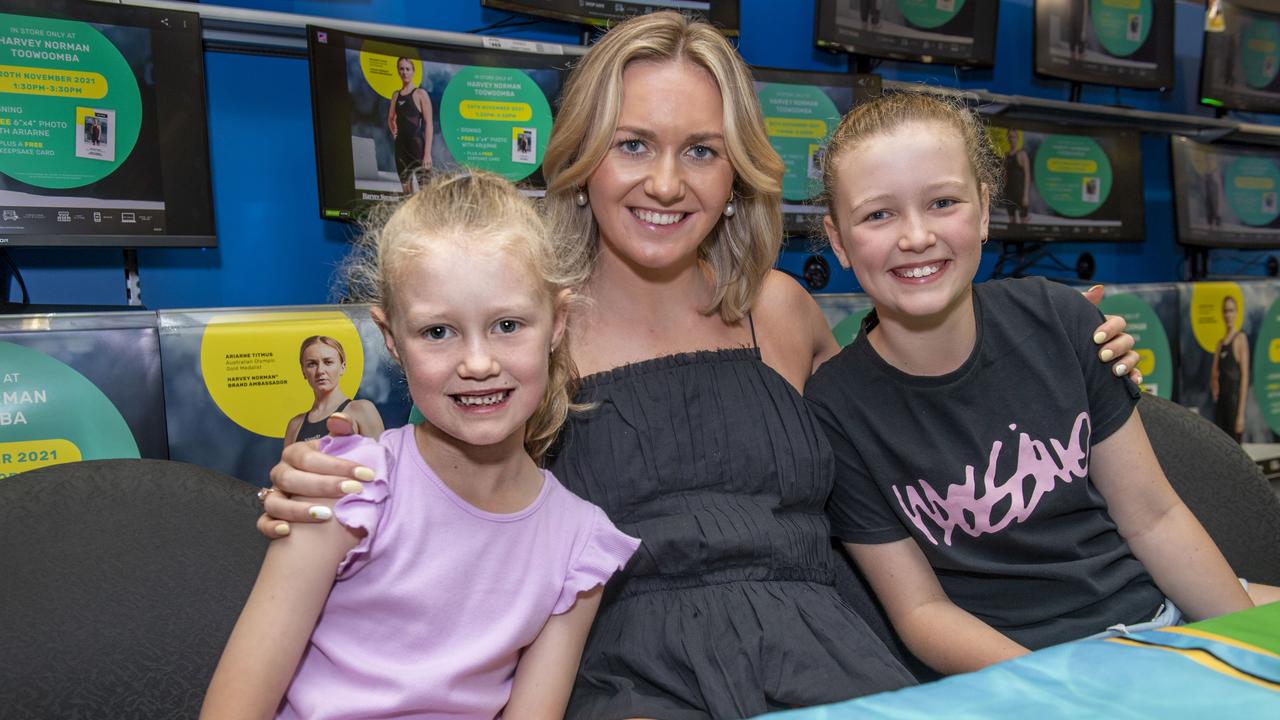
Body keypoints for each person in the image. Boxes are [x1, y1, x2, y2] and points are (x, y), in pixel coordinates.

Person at [257, 13, 1140, 718]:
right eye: (634, 144)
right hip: (621, 678)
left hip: (834, 662)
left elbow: (921, 415)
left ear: (737, 175)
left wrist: (1067, 348)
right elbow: (438, 477)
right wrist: (334, 459)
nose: (667, 183)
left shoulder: (784, 311)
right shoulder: (527, 329)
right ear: (580, 157)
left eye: (702, 151)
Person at [807, 91, 1262, 678]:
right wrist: (1056, 694)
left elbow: (1154, 518)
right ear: (838, 240)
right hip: (1020, 674)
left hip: (1152, 625)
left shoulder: (1061, 319)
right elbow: (921, 610)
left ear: (985, 209)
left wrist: (1242, 652)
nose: (915, 236)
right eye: (878, 214)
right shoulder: (836, 409)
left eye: (943, 202)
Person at [201, 171, 640, 720]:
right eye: (438, 332)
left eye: (508, 324)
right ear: (390, 338)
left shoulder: (580, 545)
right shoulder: (350, 485)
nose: (477, 363)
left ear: (557, 323)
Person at [283, 335, 384, 446]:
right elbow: (287, 463)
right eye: (312, 364)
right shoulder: (295, 425)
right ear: (303, 371)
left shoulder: (361, 410)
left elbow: (382, 461)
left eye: (328, 362)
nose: (320, 371)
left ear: (342, 367)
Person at [388, 56, 433, 193]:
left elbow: (429, 124)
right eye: (401, 69)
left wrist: (427, 154)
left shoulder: (420, 94)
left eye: (407, 69)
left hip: (418, 148)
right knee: (406, 194)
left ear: (413, 71)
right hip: (400, 148)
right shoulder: (396, 95)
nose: (404, 72)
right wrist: (395, 133)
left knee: (425, 194)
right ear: (398, 71)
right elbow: (390, 118)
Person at [1210, 295, 1249, 442]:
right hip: (1222, 405)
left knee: (1235, 450)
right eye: (1226, 311)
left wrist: (1240, 415)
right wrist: (1215, 390)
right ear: (1222, 313)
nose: (1228, 315)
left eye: (1231, 310)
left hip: (1234, 404)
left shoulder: (1240, 339)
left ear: (1237, 312)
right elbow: (1214, 373)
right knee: (1222, 446)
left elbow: (1244, 378)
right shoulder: (1220, 344)